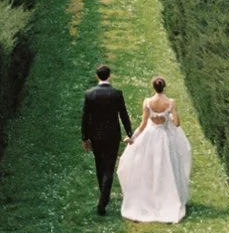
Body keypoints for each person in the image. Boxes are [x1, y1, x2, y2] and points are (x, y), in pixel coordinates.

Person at [117, 75, 192, 224]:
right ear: (164, 87)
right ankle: (167, 197)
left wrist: (133, 138)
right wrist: (168, 116)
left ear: (153, 87)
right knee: (167, 168)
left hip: (150, 137)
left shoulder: (148, 102)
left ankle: (149, 198)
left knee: (149, 167)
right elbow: (177, 123)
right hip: (164, 138)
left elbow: (143, 124)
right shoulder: (170, 102)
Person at [80, 64, 133, 216]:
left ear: (98, 76)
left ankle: (103, 197)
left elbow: (85, 118)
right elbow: (123, 114)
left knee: (99, 166)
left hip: (96, 135)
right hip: (112, 135)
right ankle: (103, 199)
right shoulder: (116, 93)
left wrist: (85, 137)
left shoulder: (89, 94)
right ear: (109, 76)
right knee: (109, 168)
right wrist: (129, 132)